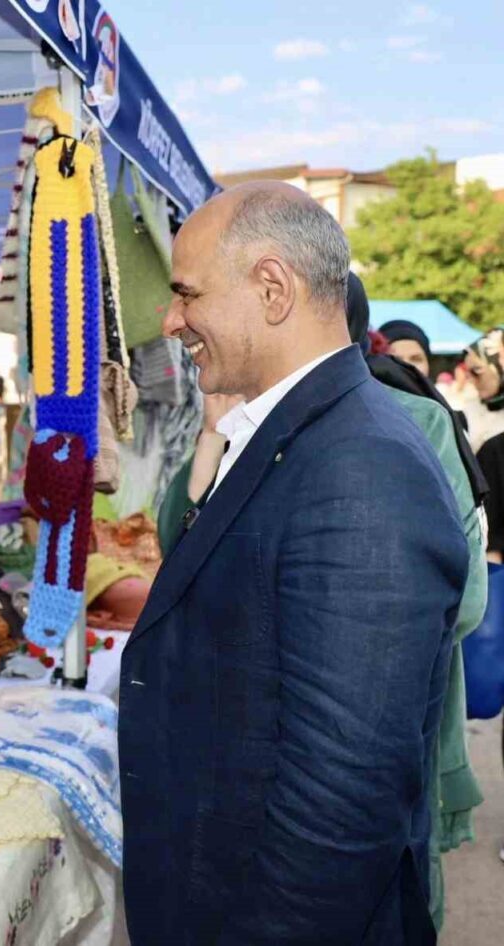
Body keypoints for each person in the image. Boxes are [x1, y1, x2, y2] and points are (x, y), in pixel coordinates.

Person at [120, 183, 467, 945]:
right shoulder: (299, 431)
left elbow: (341, 810)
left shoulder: (362, 469)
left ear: (272, 288)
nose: (171, 319)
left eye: (187, 294)